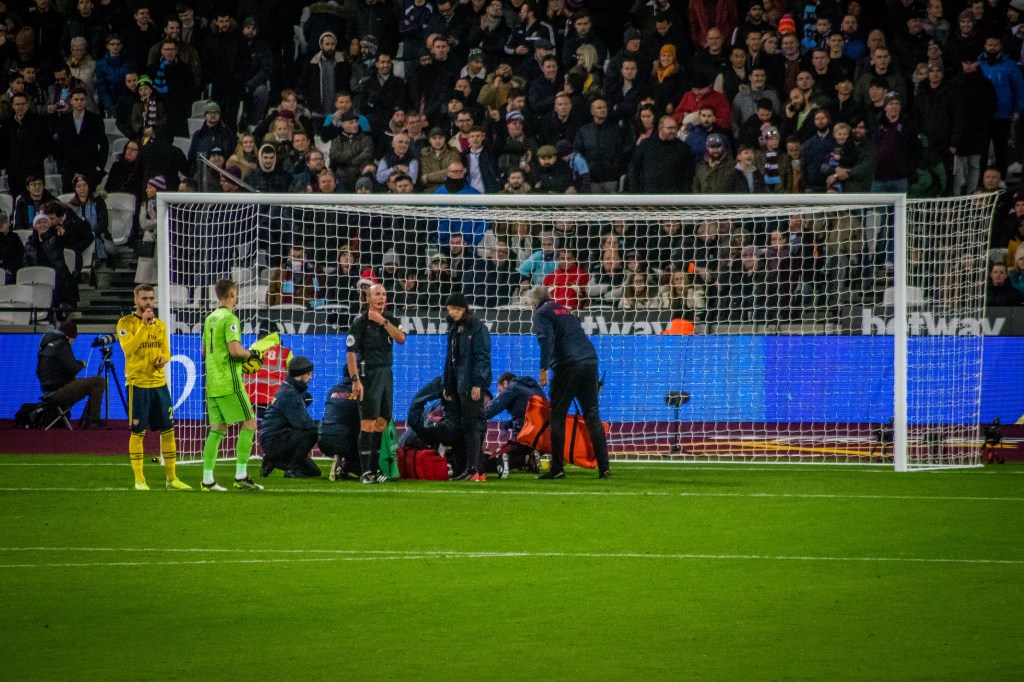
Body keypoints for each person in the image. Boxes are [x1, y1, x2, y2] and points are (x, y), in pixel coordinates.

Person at [528, 285, 610, 479]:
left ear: (534, 302)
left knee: (557, 415)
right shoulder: (566, 311)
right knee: (592, 416)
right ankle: (604, 469)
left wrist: (543, 368)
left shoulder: (541, 313)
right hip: (590, 361)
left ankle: (557, 469)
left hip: (568, 365)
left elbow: (546, 339)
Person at [116, 284, 191, 491]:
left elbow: (166, 352)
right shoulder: (125, 323)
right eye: (144, 298)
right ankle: (140, 480)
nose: (148, 302)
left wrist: (163, 359)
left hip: (159, 385)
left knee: (168, 431)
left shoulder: (160, 325)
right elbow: (128, 349)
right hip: (138, 384)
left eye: (151, 298)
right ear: (136, 300)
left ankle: (172, 478)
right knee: (138, 432)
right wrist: (143, 326)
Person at [200, 279, 265, 492]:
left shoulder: (210, 318)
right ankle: (241, 476)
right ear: (232, 294)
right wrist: (252, 354)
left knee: (217, 429)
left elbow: (204, 351)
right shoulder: (230, 319)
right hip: (230, 383)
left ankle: (207, 480)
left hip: (213, 383)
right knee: (250, 424)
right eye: (235, 293)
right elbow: (235, 350)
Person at [347, 283, 407, 484]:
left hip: (386, 374)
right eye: (377, 294)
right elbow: (351, 353)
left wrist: (383, 322)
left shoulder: (390, 320)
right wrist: (355, 380)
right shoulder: (360, 322)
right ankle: (365, 472)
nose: (382, 297)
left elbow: (401, 339)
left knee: (382, 421)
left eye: (384, 294)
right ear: (368, 299)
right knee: (368, 422)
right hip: (367, 375)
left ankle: (374, 469)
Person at [442, 291, 492, 481]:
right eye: (449, 309)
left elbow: (482, 357)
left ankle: (473, 470)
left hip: (471, 386)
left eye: (453, 309)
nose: (451, 313)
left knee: (473, 427)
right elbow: (451, 360)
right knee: (466, 428)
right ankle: (476, 470)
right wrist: (448, 385)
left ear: (462, 308)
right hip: (459, 386)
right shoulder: (455, 329)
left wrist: (478, 383)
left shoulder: (477, 328)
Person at [259, 356, 322, 479]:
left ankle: (271, 460)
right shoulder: (289, 394)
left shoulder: (291, 389)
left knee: (313, 472)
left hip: (280, 438)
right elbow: (304, 424)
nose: (311, 377)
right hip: (275, 442)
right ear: (299, 375)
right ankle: (292, 470)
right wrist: (325, 425)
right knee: (313, 431)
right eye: (308, 374)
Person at [36, 320, 106, 429]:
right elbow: (73, 368)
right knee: (98, 381)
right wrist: (82, 363)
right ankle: (93, 421)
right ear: (68, 336)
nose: (72, 342)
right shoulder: (62, 344)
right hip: (58, 393)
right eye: (73, 339)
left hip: (47, 393)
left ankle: (87, 419)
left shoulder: (46, 345)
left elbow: (40, 372)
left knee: (85, 382)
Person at [484, 371, 546, 474]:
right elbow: (526, 414)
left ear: (505, 383)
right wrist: (509, 424)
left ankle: (524, 459)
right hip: (541, 436)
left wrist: (474, 415)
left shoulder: (512, 388)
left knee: (492, 461)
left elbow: (491, 410)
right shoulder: (534, 388)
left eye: (500, 390)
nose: (500, 393)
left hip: (525, 437)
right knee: (507, 453)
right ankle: (528, 458)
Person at [320, 368, 363, 481]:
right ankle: (348, 466)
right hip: (346, 442)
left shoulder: (333, 390)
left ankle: (340, 460)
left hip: (323, 441)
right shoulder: (358, 392)